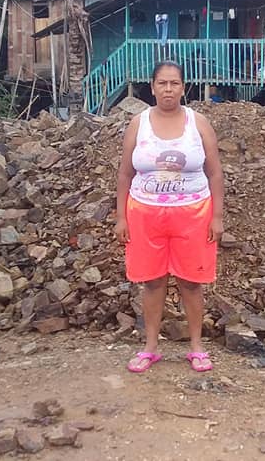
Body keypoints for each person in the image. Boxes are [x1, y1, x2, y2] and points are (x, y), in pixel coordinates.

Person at [114, 61, 225, 373]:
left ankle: (197, 347)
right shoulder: (138, 124)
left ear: (183, 87)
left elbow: (215, 173)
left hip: (194, 213)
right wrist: (121, 217)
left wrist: (217, 216)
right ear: (152, 87)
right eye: (162, 83)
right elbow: (125, 174)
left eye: (174, 83)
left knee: (191, 282)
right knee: (152, 282)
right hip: (145, 214)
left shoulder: (198, 123)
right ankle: (150, 347)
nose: (168, 89)